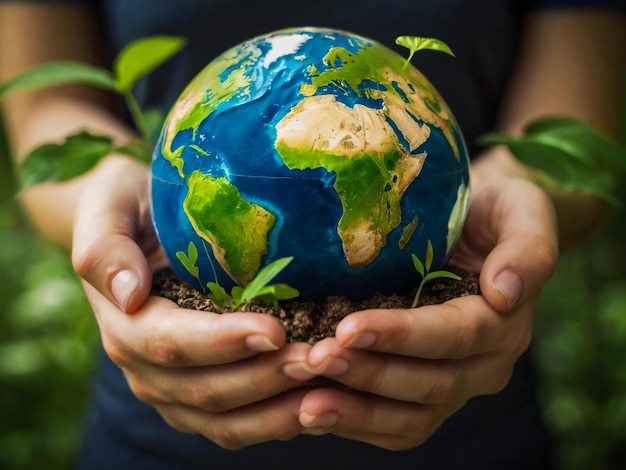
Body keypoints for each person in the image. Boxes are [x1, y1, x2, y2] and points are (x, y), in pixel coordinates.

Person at [1, 1, 624, 468]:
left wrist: (518, 180)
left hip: (473, 423)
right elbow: (46, 108)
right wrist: (105, 188)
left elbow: (579, 141)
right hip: (155, 433)